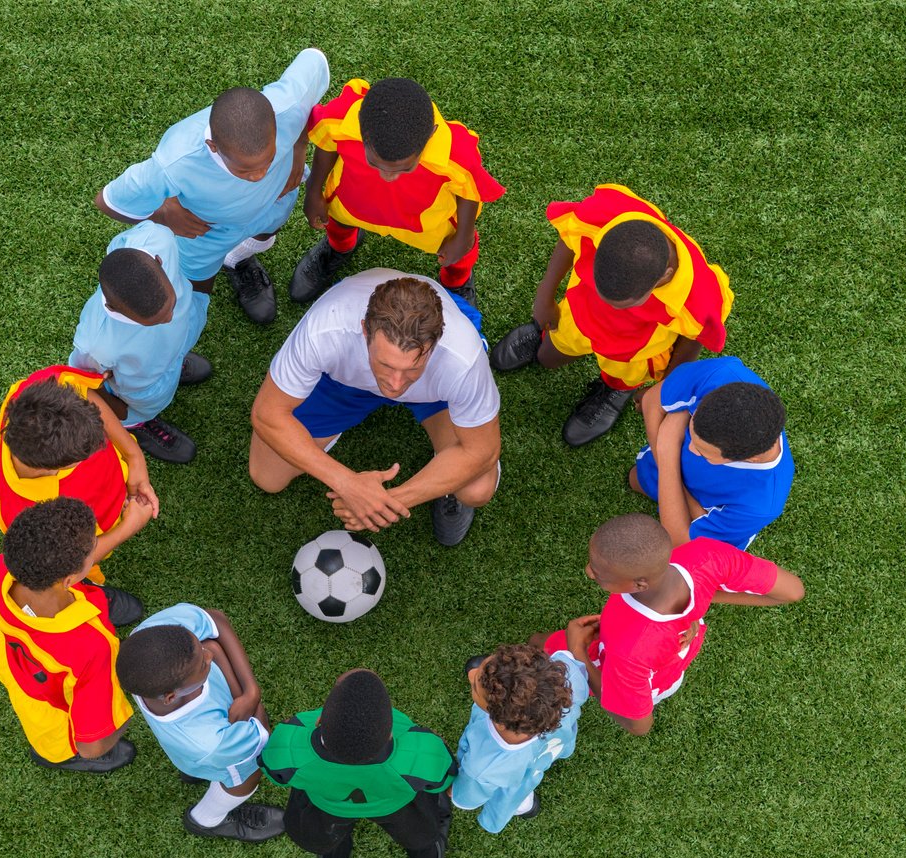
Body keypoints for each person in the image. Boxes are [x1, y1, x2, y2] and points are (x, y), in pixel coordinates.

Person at [248, 269, 501, 546]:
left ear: (434, 344)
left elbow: (482, 451)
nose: (395, 384)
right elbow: (267, 413)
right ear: (364, 329)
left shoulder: (462, 357)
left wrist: (386, 502)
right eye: (386, 364)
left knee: (477, 488)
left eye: (411, 368)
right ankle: (332, 431)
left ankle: (446, 472)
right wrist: (346, 482)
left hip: (432, 393)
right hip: (344, 384)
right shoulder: (327, 329)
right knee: (267, 476)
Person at [95, 48, 332, 326]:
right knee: (198, 283)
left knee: (268, 228)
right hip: (207, 232)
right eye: (245, 170)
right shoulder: (175, 162)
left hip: (275, 203)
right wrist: (163, 214)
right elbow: (107, 201)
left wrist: (299, 145)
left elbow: (314, 61)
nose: (258, 176)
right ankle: (192, 321)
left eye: (267, 161)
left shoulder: (286, 106)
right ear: (213, 147)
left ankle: (239, 261)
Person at [491, 184, 733, 446]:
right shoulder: (605, 215)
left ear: (663, 277)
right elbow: (569, 238)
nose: (606, 303)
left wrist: (664, 386)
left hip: (632, 352)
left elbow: (695, 338)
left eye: (622, 304)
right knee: (547, 358)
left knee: (620, 377)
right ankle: (541, 334)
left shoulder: (699, 295)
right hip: (577, 316)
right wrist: (545, 296)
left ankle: (613, 391)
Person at [557, 514, 805, 737]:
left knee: (547, 659)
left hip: (629, 669)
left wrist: (579, 653)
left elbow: (638, 725)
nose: (589, 572)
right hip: (667, 662)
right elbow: (793, 591)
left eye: (600, 574)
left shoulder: (629, 652)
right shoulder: (707, 554)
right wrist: (699, 604)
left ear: (640, 584)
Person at [289, 77, 503, 305]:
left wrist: (463, 237)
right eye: (375, 163)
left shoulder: (455, 152)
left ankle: (456, 282)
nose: (387, 176)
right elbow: (326, 143)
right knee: (338, 222)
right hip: (352, 204)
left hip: (425, 227)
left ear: (430, 135)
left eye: (405, 168)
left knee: (457, 255)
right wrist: (313, 191)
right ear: (361, 125)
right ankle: (338, 249)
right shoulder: (342, 118)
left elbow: (470, 190)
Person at [0, 498, 139, 774]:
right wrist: (125, 720)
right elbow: (91, 746)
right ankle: (59, 757)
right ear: (68, 580)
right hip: (55, 715)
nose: (96, 545)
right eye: (93, 548)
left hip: (14, 663)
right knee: (57, 745)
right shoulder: (89, 646)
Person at [0, 366, 156, 620]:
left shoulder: (35, 397)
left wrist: (134, 458)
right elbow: (68, 561)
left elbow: (85, 395)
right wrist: (129, 527)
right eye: (81, 459)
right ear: (51, 468)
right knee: (74, 578)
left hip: (112, 496)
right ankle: (91, 592)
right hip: (90, 540)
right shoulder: (27, 514)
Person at [113, 604, 286, 842]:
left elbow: (216, 618)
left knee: (198, 764)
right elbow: (260, 731)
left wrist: (251, 693)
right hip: (216, 754)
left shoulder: (150, 636)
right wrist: (240, 687)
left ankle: (193, 775)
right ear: (171, 696)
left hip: (195, 750)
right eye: (203, 664)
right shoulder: (209, 742)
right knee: (246, 780)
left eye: (201, 646)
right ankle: (206, 820)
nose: (210, 654)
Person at [263, 669, 454, 858]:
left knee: (325, 837)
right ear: (390, 732)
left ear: (318, 720)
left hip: (325, 805)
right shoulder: (421, 752)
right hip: (396, 805)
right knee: (419, 833)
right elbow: (443, 779)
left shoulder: (289, 745)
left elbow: (272, 770)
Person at [69, 224, 215, 463]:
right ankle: (137, 424)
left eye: (170, 306)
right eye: (155, 321)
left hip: (177, 343)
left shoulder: (158, 238)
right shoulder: (96, 345)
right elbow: (84, 384)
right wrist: (119, 413)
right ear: (113, 308)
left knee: (176, 349)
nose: (169, 318)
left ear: (158, 261)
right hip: (144, 389)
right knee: (141, 410)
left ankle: (175, 365)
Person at [629, 357, 793, 550]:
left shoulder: (761, 505)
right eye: (690, 430)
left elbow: (680, 542)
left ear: (750, 458)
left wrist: (667, 450)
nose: (688, 447)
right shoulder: (721, 373)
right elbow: (650, 401)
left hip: (668, 471)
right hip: (664, 474)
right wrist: (693, 510)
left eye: (702, 452)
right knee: (635, 480)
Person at [450, 642, 588, 833]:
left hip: (512, 772)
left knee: (514, 791)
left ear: (499, 719)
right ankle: (526, 804)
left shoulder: (484, 765)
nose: (472, 674)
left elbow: (467, 797)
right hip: (553, 746)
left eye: (475, 685)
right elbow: (573, 665)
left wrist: (451, 791)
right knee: (533, 768)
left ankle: (524, 805)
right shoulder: (565, 680)